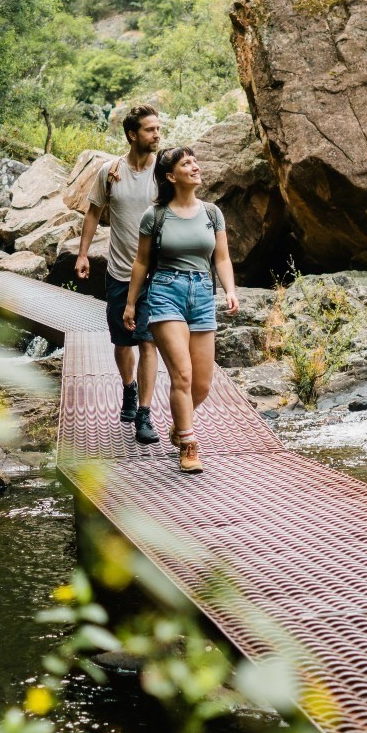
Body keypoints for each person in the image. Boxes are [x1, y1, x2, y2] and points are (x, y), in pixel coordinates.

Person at [122, 145, 238, 474]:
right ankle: (188, 445)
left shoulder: (212, 213)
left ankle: (179, 424)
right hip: (164, 293)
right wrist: (131, 303)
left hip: (202, 293)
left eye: (195, 161)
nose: (195, 166)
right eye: (186, 163)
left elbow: (222, 258)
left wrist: (229, 290)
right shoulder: (155, 216)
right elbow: (141, 261)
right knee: (182, 375)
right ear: (171, 176)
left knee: (201, 384)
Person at [76, 104, 163, 443]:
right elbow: (93, 212)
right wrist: (83, 254)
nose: (157, 135)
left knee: (147, 340)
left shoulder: (163, 171)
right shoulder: (110, 172)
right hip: (120, 272)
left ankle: (144, 413)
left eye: (158, 129)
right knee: (122, 341)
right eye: (150, 130)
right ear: (132, 135)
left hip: (157, 276)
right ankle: (128, 388)